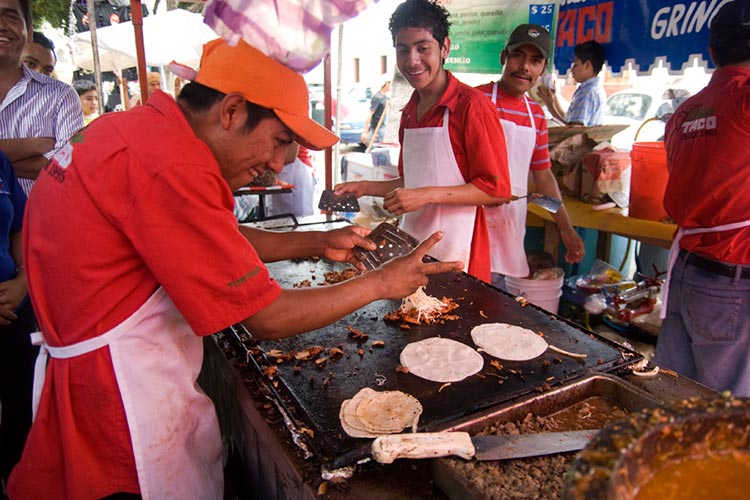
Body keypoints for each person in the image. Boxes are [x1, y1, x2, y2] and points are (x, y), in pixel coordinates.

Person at [7, 38, 462, 500]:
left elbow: (209, 240)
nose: (276, 163)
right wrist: (382, 282)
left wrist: (318, 240)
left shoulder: (131, 131)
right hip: (120, 403)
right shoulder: (172, 165)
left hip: (92, 372)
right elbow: (266, 317)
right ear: (232, 111)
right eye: (281, 140)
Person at [335, 0, 511, 283]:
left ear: (445, 48)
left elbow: (497, 192)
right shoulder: (409, 111)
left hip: (459, 257)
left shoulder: (471, 107)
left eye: (422, 48)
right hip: (411, 251)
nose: (412, 60)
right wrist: (365, 187)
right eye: (402, 50)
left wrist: (426, 195)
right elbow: (411, 182)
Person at [653, 0, 750, 397]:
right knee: (727, 408)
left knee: (676, 393)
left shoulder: (685, 112)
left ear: (711, 51)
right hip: (733, 276)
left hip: (691, 270)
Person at [475, 24, 585, 288]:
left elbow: (544, 177)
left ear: (543, 69)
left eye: (535, 60)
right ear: (504, 57)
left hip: (507, 231)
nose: (525, 66)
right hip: (468, 227)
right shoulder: (475, 100)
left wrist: (565, 228)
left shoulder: (536, 116)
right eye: (518, 56)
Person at [0, 0, 84, 196]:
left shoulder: (61, 96)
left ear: (28, 32)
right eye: (31, 62)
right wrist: (35, 145)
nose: (2, 25)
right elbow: (55, 163)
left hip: (42, 223)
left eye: (11, 16)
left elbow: (70, 168)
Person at [0, 151, 35, 495]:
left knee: (21, 425)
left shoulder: (0, 162)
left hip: (13, 310)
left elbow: (19, 227)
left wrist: (24, 279)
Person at [538, 40, 607, 126]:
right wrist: (554, 99)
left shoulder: (587, 92)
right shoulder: (596, 89)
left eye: (575, 65)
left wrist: (549, 105)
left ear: (587, 65)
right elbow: (568, 119)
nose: (572, 70)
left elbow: (574, 130)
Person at [268, 141, 315, 218]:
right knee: (279, 217)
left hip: (296, 169)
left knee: (299, 216)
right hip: (283, 169)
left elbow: (290, 155)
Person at [360, 74, 391, 147]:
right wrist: (365, 131)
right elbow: (370, 113)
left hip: (382, 128)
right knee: (375, 150)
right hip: (377, 130)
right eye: (390, 83)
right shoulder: (377, 97)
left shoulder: (384, 97)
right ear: (386, 84)